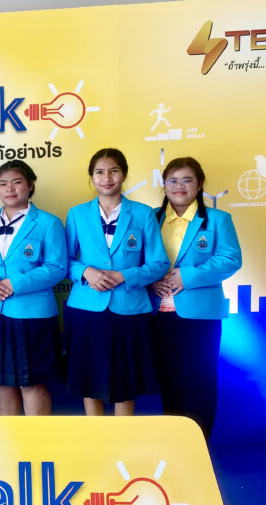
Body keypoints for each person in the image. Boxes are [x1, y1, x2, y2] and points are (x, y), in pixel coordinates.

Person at [64, 148, 169, 416]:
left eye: (113, 171)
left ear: (124, 175)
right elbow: (64, 260)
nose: (107, 177)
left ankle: (123, 434)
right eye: (99, 172)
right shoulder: (77, 214)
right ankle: (95, 432)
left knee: (127, 377)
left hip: (130, 307)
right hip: (87, 306)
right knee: (88, 377)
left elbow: (159, 263)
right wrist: (86, 272)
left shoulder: (143, 214)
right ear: (91, 177)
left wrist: (125, 276)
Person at [151, 157, 242, 441]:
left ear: (199, 184)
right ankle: (175, 443)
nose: (179, 186)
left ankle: (199, 444)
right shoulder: (151, 218)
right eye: (173, 180)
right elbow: (137, 259)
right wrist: (150, 280)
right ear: (164, 185)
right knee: (169, 380)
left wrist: (187, 277)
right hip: (157, 313)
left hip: (200, 315)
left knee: (200, 381)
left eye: (187, 180)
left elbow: (230, 259)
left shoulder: (217, 219)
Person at [0, 160, 67, 415]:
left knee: (32, 381)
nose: (9, 189)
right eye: (3, 184)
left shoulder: (48, 222)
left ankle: (37, 438)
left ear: (30, 185)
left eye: (17, 182)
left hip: (32, 315)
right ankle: (10, 437)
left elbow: (57, 267)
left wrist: (16, 283)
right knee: (2, 379)